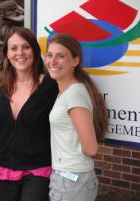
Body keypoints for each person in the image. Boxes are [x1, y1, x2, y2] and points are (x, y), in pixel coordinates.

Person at [0, 26, 59, 201]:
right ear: (7, 54)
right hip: (6, 170)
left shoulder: (50, 87)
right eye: (14, 48)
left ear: (35, 50)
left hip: (38, 170)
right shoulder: (2, 90)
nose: (20, 53)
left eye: (26, 47)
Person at [45, 34, 108, 201]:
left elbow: (91, 148)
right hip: (70, 179)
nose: (52, 61)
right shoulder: (67, 92)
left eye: (61, 56)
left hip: (71, 181)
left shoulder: (73, 94)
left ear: (75, 61)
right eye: (50, 55)